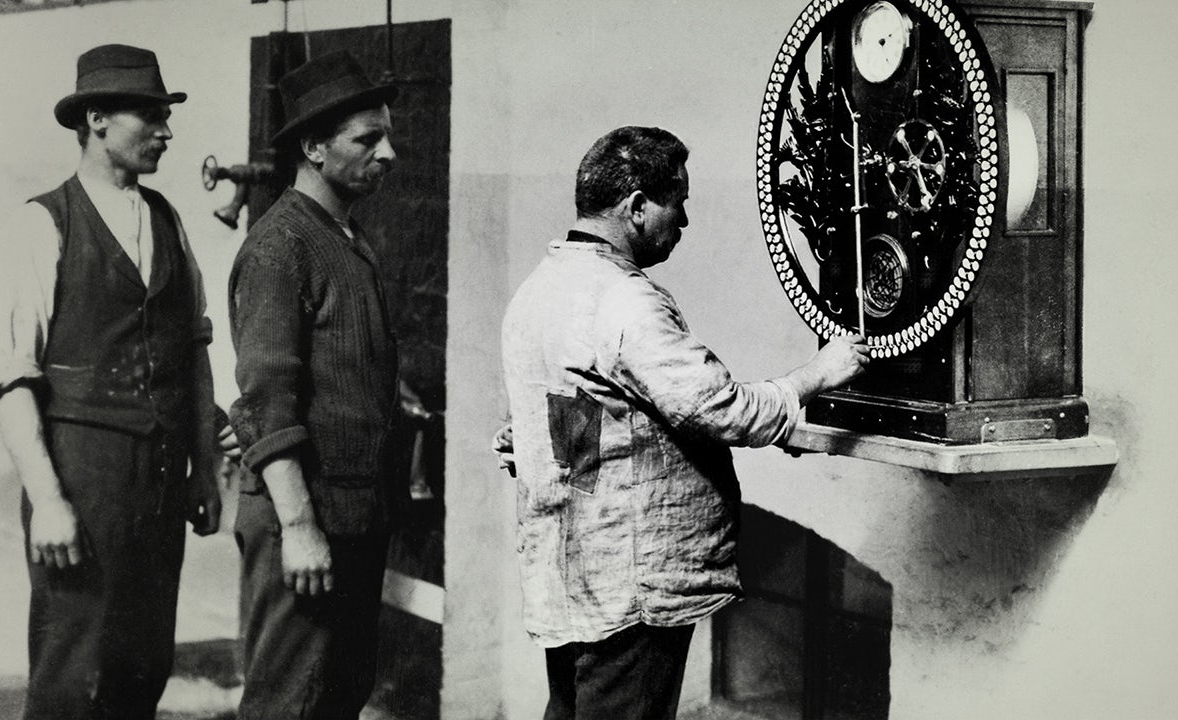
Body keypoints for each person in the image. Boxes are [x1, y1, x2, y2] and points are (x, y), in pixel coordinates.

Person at [498, 126, 871, 719]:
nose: (686, 222)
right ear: (637, 208)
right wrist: (814, 377)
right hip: (632, 591)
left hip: (574, 580)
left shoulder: (540, 290)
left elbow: (563, 421)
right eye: (680, 203)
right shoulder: (624, 299)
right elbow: (718, 408)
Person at [0, 44, 221, 720]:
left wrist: (203, 470)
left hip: (161, 486)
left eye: (167, 115)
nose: (167, 131)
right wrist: (48, 501)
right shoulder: (42, 223)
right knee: (72, 677)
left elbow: (193, 352)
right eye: (150, 115)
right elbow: (10, 379)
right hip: (83, 487)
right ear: (97, 118)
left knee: (142, 671)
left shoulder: (168, 220)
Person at [227, 51, 405, 720]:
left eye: (388, 136)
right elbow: (266, 399)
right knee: (288, 703)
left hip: (352, 518)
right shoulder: (281, 248)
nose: (387, 154)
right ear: (314, 146)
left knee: (336, 696)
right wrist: (299, 526)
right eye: (367, 138)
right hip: (302, 523)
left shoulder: (347, 240)